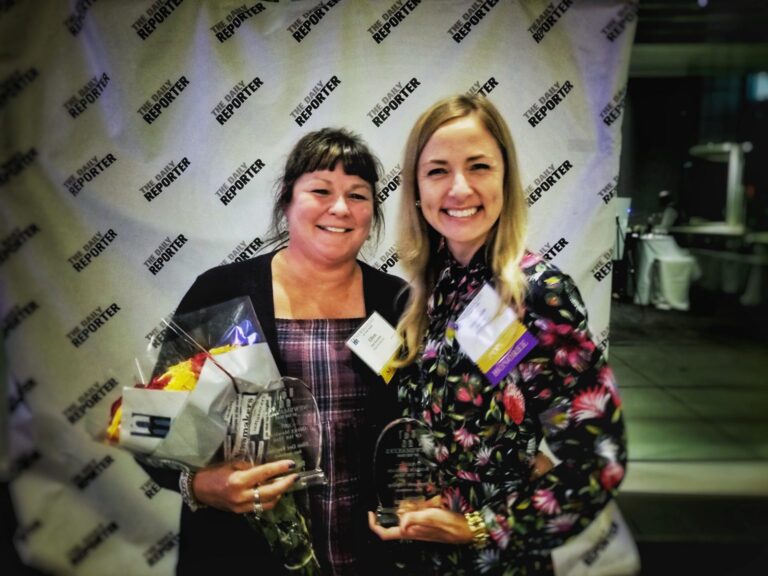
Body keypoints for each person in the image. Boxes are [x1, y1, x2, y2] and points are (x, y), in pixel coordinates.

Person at [369, 94, 628, 575]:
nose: (459, 188)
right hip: (424, 557)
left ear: (505, 179)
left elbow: (599, 463)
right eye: (438, 170)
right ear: (417, 189)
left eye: (479, 166)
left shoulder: (536, 296)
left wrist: (479, 525)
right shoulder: (434, 289)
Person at [143, 128, 407, 575]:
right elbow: (152, 425)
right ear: (287, 201)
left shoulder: (396, 302)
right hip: (241, 557)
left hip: (369, 559)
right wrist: (201, 484)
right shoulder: (223, 294)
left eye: (358, 195)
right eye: (320, 190)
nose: (340, 208)